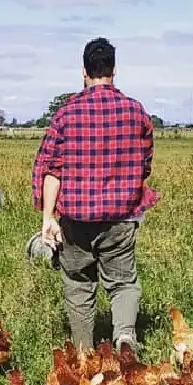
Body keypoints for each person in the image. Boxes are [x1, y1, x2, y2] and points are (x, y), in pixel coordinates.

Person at [32, 37, 159, 354]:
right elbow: (145, 164)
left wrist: (48, 218)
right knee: (123, 282)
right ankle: (125, 338)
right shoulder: (136, 112)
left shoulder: (66, 115)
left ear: (83, 71)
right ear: (114, 70)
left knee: (78, 282)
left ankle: (84, 351)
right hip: (121, 218)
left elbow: (51, 169)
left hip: (77, 219)